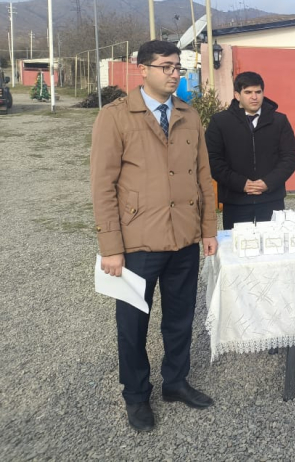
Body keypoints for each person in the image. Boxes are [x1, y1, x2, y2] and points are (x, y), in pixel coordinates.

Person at [90, 39, 218, 432]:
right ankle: (136, 395)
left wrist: (208, 229)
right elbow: (103, 186)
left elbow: (203, 177)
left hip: (183, 239)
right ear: (142, 69)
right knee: (132, 326)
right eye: (165, 66)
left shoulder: (188, 115)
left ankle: (175, 382)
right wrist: (111, 247)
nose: (174, 73)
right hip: (137, 243)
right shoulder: (115, 117)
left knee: (180, 319)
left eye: (178, 67)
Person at [205, 71, 295, 230]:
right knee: (238, 244)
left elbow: (290, 156)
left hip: (271, 200)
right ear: (237, 95)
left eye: (258, 92)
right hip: (236, 202)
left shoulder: (279, 121)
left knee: (272, 243)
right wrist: (241, 183)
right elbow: (212, 159)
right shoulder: (220, 122)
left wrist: (268, 182)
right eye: (248, 92)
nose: (254, 97)